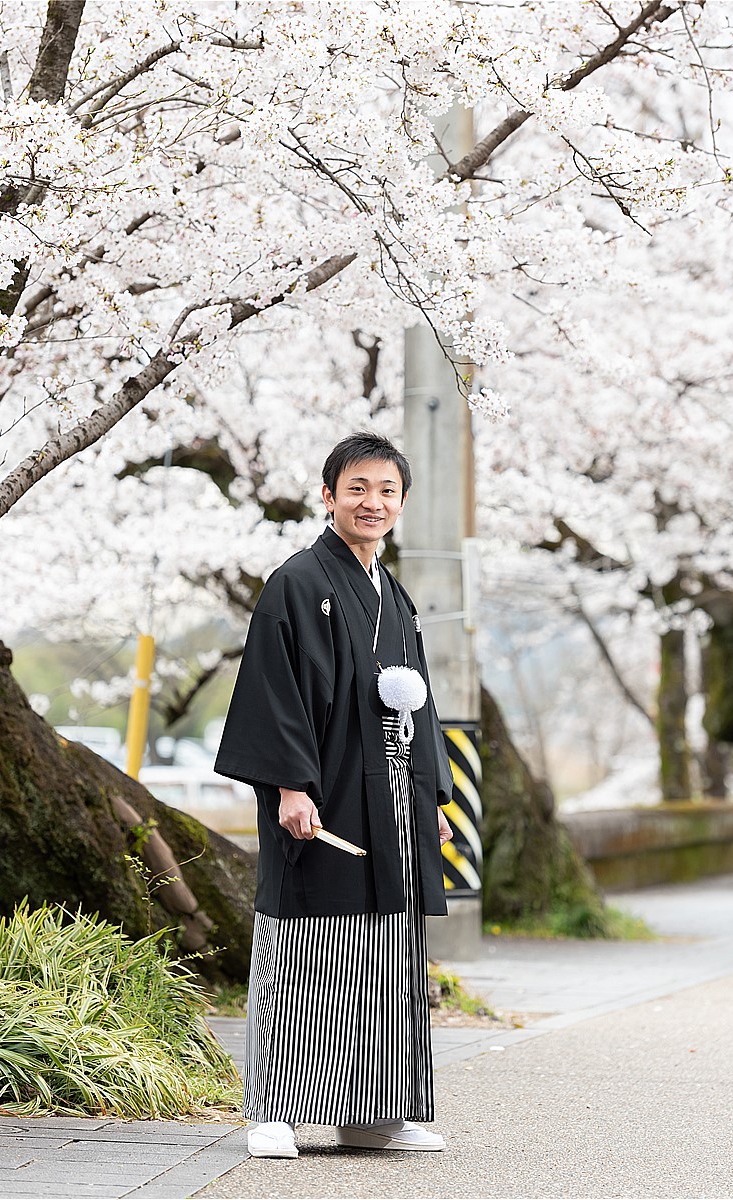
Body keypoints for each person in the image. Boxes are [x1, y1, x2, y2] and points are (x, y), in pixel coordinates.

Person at [214, 431, 454, 1158]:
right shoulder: (297, 583)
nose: (371, 503)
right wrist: (289, 784)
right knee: (304, 945)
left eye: (386, 491)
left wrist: (431, 799)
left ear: (401, 502)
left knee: (385, 952)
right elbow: (275, 690)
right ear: (328, 496)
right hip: (321, 795)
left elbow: (420, 705)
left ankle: (374, 1112)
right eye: (357, 489)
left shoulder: (394, 593)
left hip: (388, 800)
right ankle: (273, 1110)